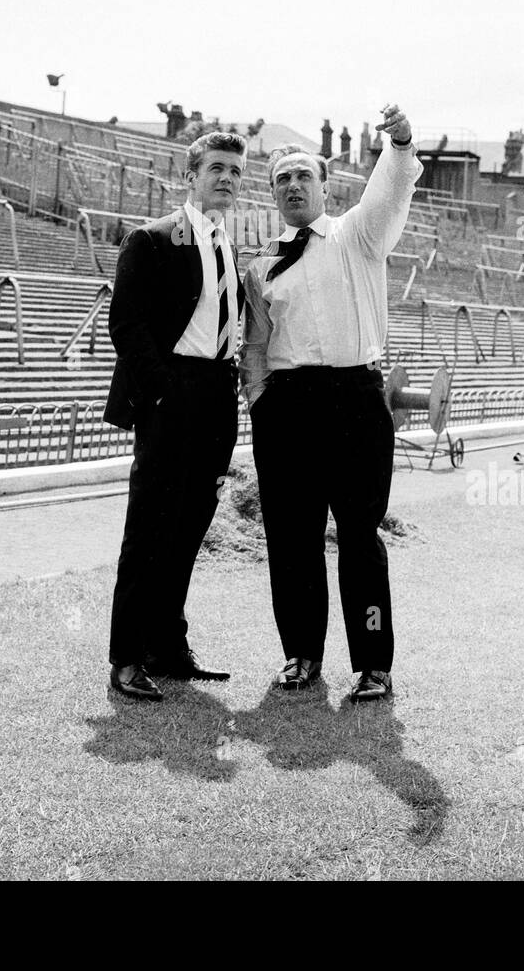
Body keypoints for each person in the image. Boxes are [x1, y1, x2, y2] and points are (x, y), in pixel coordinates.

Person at [241, 103, 420, 702]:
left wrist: (397, 146)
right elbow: (257, 344)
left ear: (325, 186)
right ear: (272, 195)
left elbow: (387, 198)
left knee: (359, 538)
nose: (293, 186)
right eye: (281, 180)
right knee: (291, 539)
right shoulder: (262, 264)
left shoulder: (358, 236)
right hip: (288, 407)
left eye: (303, 176)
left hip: (355, 400)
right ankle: (301, 655)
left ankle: (373, 662)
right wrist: (261, 404)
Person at [103, 131, 247, 701]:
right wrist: (163, 394)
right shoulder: (154, 239)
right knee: (150, 529)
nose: (226, 179)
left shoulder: (226, 247)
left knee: (190, 529)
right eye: (216, 168)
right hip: (172, 394)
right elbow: (126, 326)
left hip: (216, 394)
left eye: (235, 172)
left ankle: (168, 646)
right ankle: (127, 658)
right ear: (190, 176)